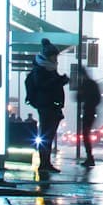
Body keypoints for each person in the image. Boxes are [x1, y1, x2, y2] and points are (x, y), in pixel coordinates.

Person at [24, 39, 68, 176]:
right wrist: (59, 81)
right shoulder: (41, 69)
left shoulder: (48, 68)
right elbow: (43, 86)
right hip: (46, 106)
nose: (56, 58)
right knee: (46, 136)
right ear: (48, 56)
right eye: (54, 56)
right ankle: (44, 164)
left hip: (51, 106)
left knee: (48, 135)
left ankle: (46, 163)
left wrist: (59, 81)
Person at [74, 66, 103, 167]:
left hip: (88, 111)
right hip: (90, 110)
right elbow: (97, 98)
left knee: (86, 134)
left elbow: (78, 98)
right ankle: (89, 157)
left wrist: (84, 98)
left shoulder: (85, 84)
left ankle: (90, 157)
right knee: (86, 134)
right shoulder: (91, 84)